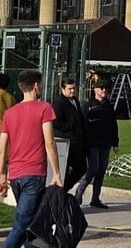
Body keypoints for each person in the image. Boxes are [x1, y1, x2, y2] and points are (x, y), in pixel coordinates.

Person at [0, 69, 63, 248]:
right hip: (34, 174)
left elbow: (2, 147)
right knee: (22, 223)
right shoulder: (44, 108)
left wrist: (2, 174)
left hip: (15, 175)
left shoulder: (10, 113)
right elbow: (49, 142)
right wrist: (57, 173)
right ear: (36, 85)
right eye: (40, 84)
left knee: (31, 222)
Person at [75, 79, 119, 208]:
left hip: (105, 143)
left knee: (101, 170)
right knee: (92, 169)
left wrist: (115, 142)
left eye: (106, 88)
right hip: (91, 143)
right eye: (101, 88)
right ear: (95, 90)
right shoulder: (88, 105)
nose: (104, 90)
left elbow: (113, 125)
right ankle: (79, 194)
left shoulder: (108, 106)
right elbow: (81, 125)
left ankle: (95, 198)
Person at [51, 76, 87, 192]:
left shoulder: (74, 100)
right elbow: (56, 122)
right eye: (69, 89)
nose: (72, 91)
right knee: (65, 170)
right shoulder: (58, 103)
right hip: (65, 142)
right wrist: (72, 125)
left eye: (74, 88)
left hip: (77, 142)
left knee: (81, 168)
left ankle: (64, 189)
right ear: (62, 89)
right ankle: (60, 192)